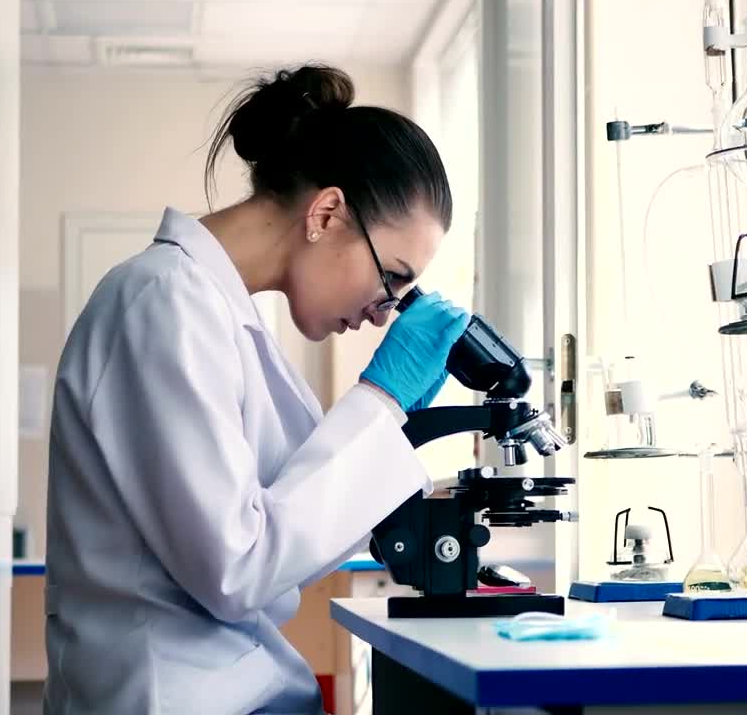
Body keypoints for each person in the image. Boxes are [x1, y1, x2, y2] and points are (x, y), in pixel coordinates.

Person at [43, 64, 469, 714]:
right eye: (393, 279)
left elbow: (285, 516)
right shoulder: (163, 303)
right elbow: (237, 568)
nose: (385, 312)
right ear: (327, 212)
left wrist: (391, 425)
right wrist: (378, 401)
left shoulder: (219, 313)